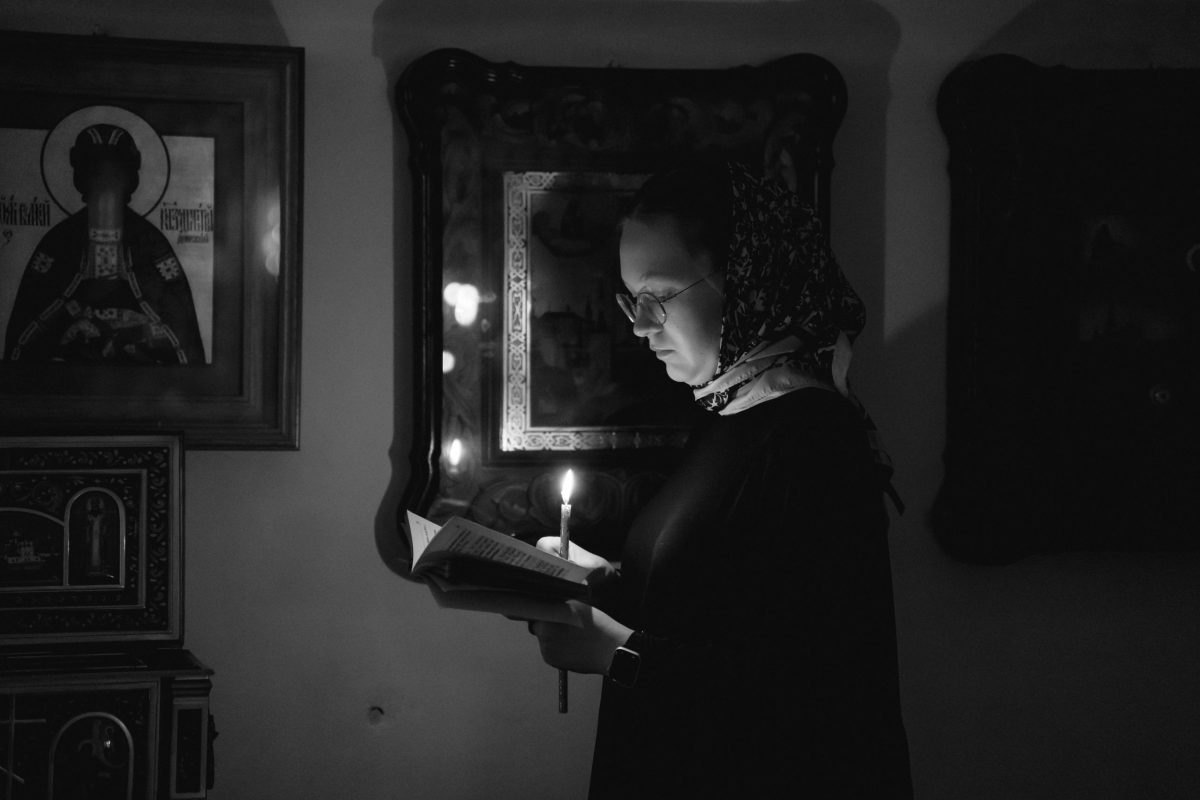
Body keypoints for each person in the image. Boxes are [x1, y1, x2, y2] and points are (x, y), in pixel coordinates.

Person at [523, 159, 913, 798]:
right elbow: (718, 608)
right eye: (630, 300)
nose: (639, 326)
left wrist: (619, 653)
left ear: (749, 278)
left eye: (658, 297)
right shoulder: (725, 415)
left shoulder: (813, 437)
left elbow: (822, 693)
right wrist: (608, 583)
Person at [4, 123, 205, 364]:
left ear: (130, 178)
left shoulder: (149, 242)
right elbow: (33, 325)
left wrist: (135, 331)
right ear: (81, 178)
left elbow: (177, 326)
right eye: (96, 172)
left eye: (115, 173)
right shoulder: (60, 241)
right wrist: (74, 324)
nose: (105, 182)